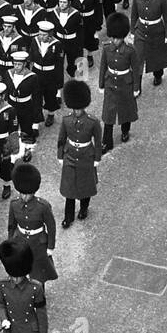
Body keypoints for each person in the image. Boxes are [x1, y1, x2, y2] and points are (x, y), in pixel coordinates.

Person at [56, 78, 100, 228]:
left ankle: (83, 208)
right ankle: (68, 217)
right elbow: (61, 139)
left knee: (85, 185)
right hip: (69, 155)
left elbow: (98, 141)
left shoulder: (92, 122)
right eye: (75, 108)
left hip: (86, 155)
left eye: (79, 108)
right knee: (69, 189)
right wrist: (60, 155)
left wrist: (97, 158)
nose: (76, 111)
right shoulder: (66, 120)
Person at [6, 161, 58, 282]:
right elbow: (11, 225)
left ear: (33, 192)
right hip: (20, 240)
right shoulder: (14, 204)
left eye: (27, 194)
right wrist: (10, 243)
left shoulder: (43, 206)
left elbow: (51, 226)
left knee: (39, 274)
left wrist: (50, 247)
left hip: (38, 243)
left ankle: (40, 297)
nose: (24, 197)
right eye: (22, 193)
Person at [98, 12, 140, 151]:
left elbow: (135, 69)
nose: (115, 41)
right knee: (108, 114)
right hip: (110, 82)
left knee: (125, 110)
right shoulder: (107, 48)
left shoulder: (130, 50)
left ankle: (125, 130)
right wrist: (101, 84)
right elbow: (103, 66)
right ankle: (106, 142)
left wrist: (135, 88)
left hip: (125, 83)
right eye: (113, 38)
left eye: (118, 38)